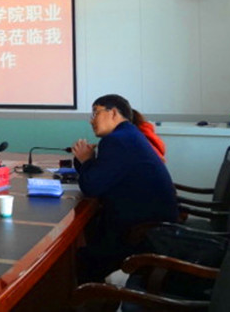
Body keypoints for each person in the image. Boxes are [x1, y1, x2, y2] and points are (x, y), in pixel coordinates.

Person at [71, 94, 178, 283]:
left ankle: (86, 293)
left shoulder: (117, 141)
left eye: (95, 113)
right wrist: (87, 161)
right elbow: (101, 177)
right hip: (153, 229)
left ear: (113, 113)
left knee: (78, 259)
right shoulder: (129, 135)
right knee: (90, 231)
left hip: (142, 236)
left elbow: (91, 186)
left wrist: (86, 160)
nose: (91, 121)